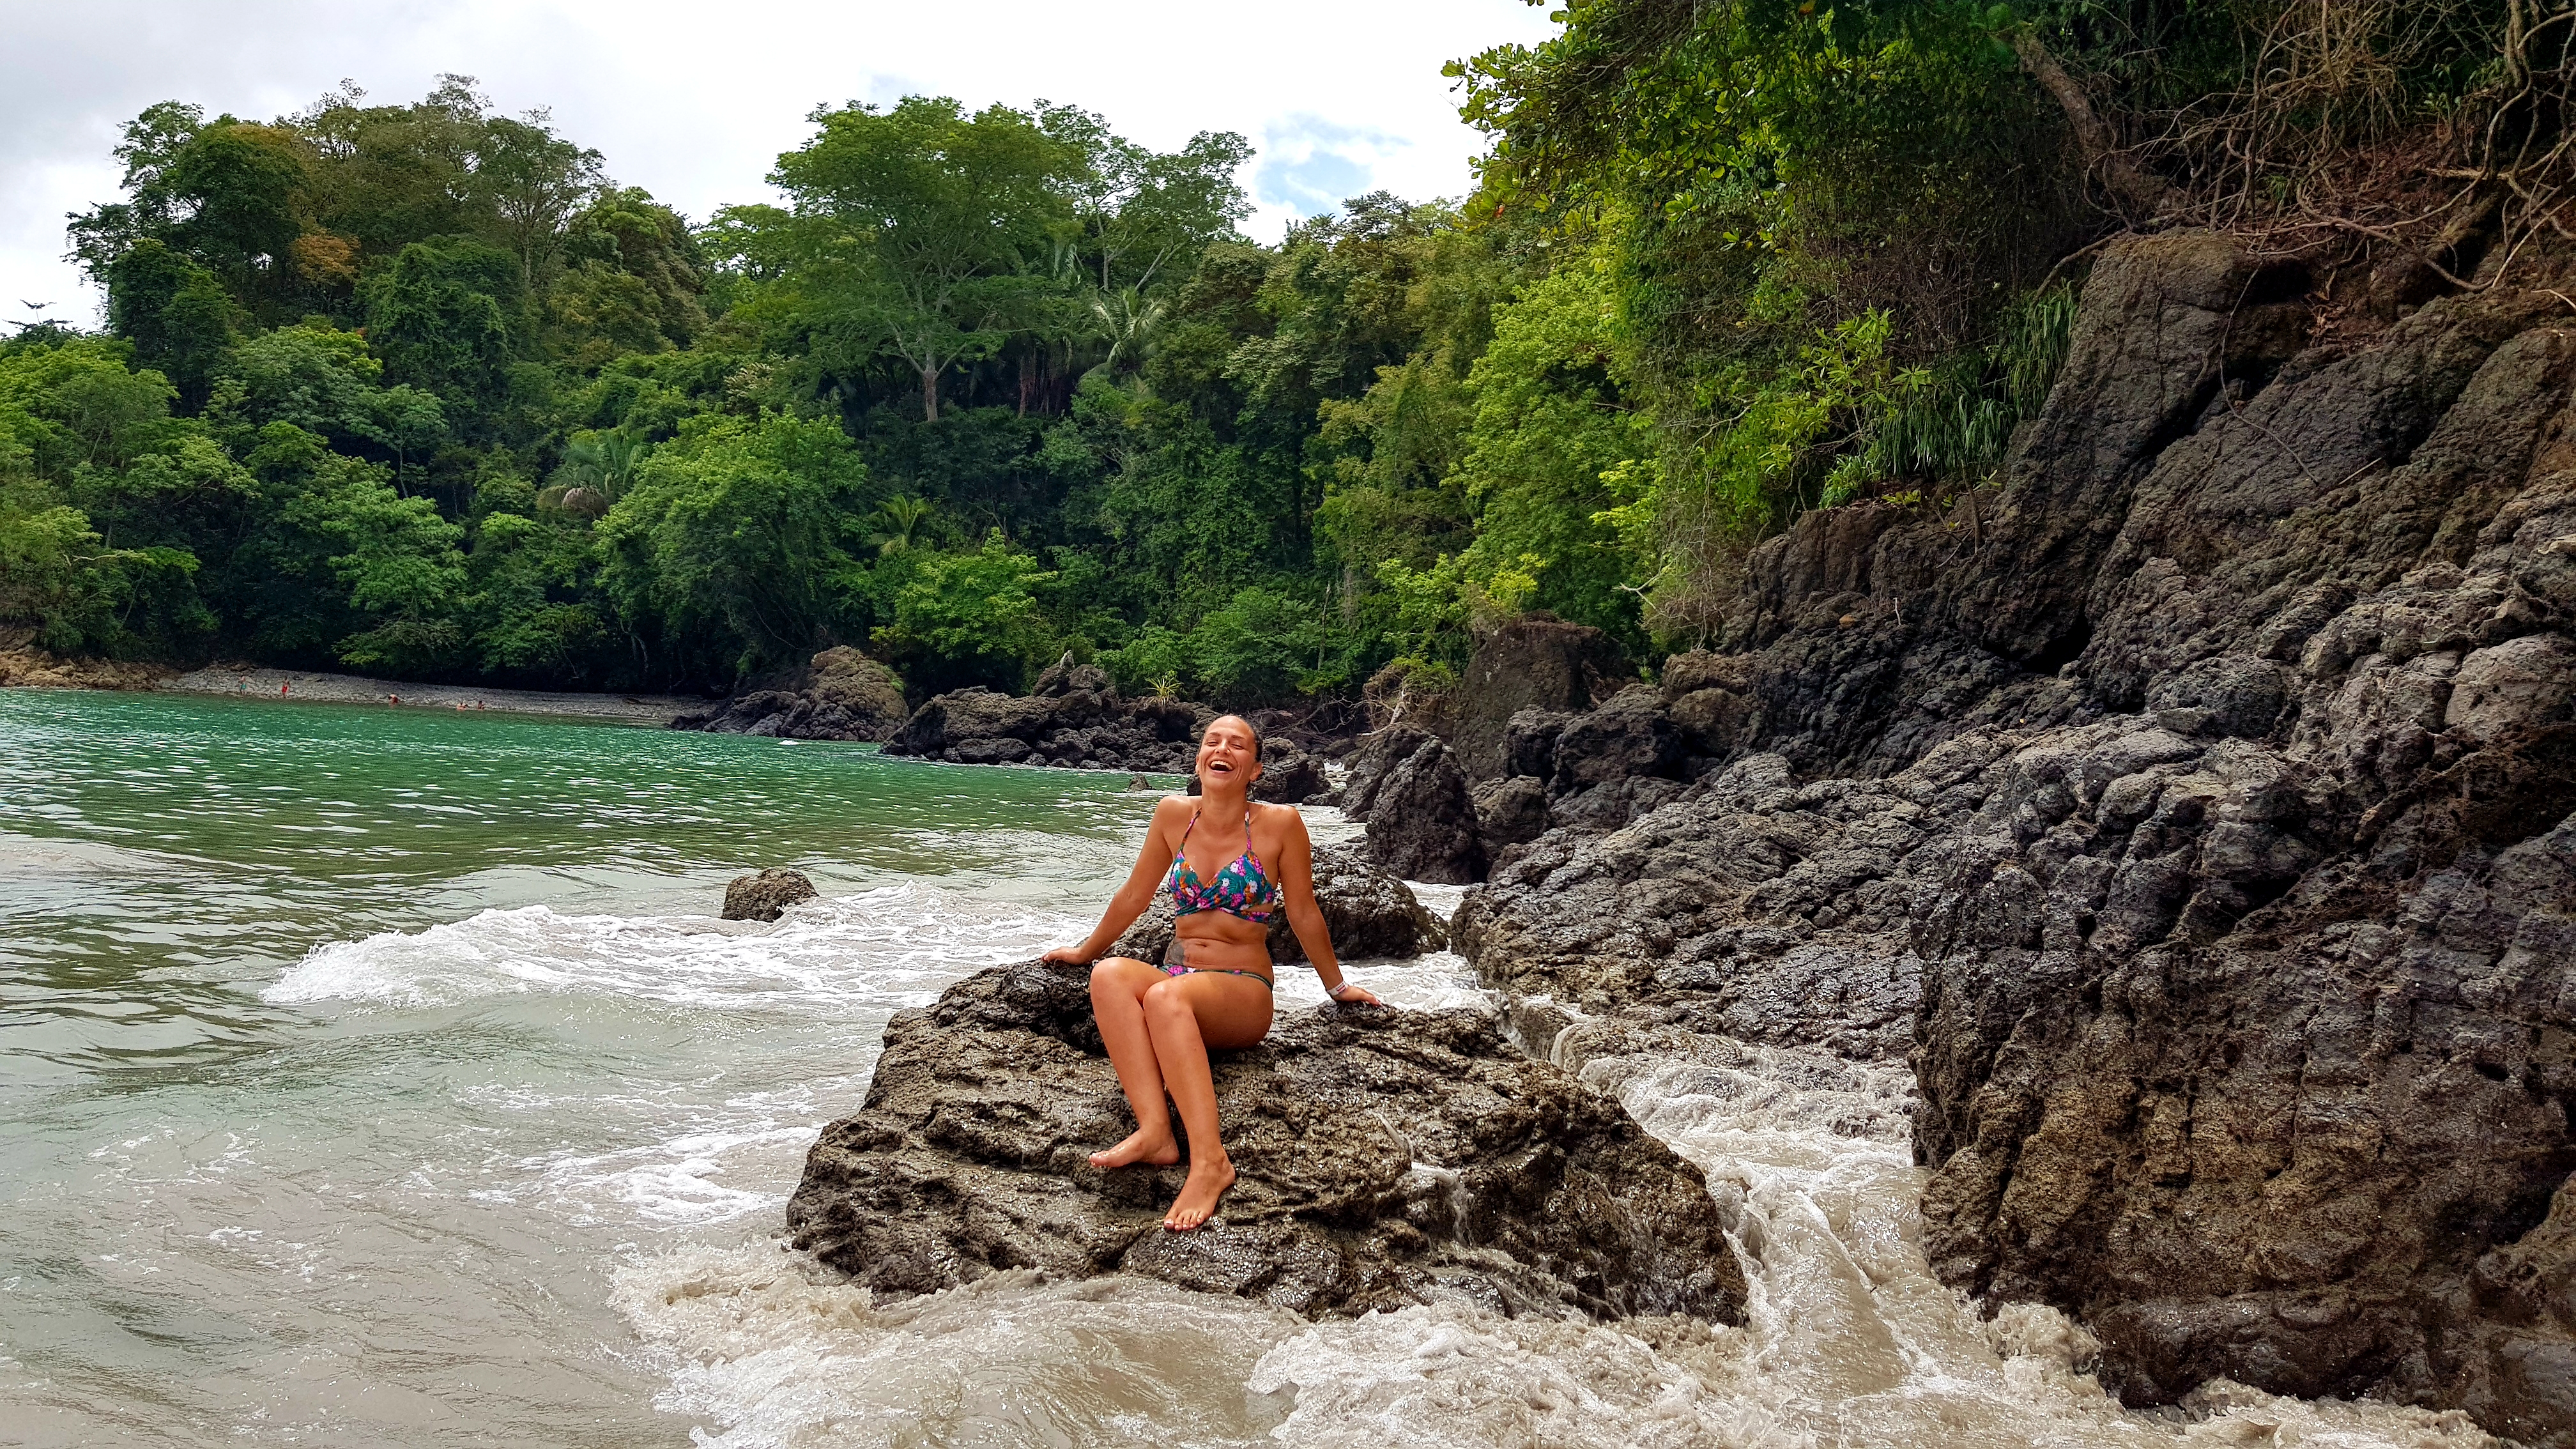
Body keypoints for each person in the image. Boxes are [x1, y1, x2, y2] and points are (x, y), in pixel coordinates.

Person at [1042, 715, 1381, 1231]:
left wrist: (1337, 987)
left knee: (1164, 999)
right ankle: (1156, 1131)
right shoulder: (1173, 815)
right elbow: (1134, 895)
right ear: (1200, 759)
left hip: (1242, 992)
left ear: (1255, 768)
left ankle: (1210, 1163)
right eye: (1213, 741)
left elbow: (1304, 913)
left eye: (1238, 745)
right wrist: (1085, 950)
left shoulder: (1280, 824)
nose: (1223, 749)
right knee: (1110, 976)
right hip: (1182, 981)